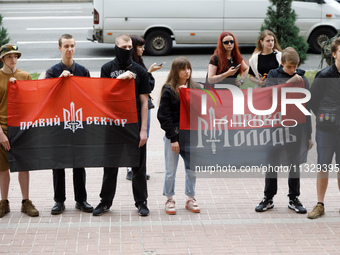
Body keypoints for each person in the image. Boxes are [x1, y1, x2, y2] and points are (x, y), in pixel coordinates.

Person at [94, 34, 150, 216]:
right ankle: (105, 201)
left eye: (129, 47)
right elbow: (102, 96)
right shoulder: (107, 68)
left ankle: (141, 202)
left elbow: (144, 103)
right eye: (123, 47)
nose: (127, 50)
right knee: (110, 165)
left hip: (134, 125)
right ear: (116, 47)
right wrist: (120, 80)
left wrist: (143, 130)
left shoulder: (140, 71)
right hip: (113, 124)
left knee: (139, 166)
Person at [255, 47, 313, 214]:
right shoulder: (274, 75)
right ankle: (268, 197)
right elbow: (268, 96)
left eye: (295, 67)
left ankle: (293, 198)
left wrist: (308, 135)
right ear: (282, 64)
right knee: (272, 162)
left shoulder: (302, 79)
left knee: (294, 163)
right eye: (289, 67)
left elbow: (306, 108)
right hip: (275, 126)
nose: (292, 70)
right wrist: (288, 83)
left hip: (296, 127)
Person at [45, 34, 93, 215]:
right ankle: (59, 200)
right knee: (58, 163)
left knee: (79, 162)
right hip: (58, 123)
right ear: (60, 48)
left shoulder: (83, 70)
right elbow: (46, 96)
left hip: (78, 122)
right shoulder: (52, 72)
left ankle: (81, 199)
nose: (69, 49)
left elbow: (90, 96)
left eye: (72, 46)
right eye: (66, 46)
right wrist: (59, 81)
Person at [157, 57, 200, 215]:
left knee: (192, 169)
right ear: (176, 71)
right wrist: (173, 138)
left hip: (191, 136)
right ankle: (169, 198)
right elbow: (164, 116)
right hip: (174, 135)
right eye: (183, 69)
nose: (187, 71)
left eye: (188, 68)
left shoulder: (194, 87)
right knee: (171, 170)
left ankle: (190, 197)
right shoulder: (168, 89)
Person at [0, 43, 39, 218]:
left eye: (16, 56)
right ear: (2, 59)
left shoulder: (25, 76)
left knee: (23, 166)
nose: (13, 59)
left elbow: (32, 102)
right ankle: (4, 202)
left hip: (21, 128)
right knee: (2, 168)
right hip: (3, 128)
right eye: (9, 57)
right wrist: (0, 133)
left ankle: (26, 201)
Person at [307, 37, 340, 219]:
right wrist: (325, 116)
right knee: (323, 167)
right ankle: (320, 204)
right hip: (326, 129)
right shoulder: (324, 75)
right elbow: (311, 101)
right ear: (334, 54)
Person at [126, 34, 163, 181]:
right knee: (135, 138)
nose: (143, 48)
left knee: (143, 137)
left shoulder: (139, 62)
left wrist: (148, 75)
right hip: (134, 107)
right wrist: (148, 73)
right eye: (140, 46)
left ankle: (139, 168)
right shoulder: (130, 65)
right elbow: (136, 86)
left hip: (144, 106)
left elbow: (147, 86)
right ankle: (131, 169)